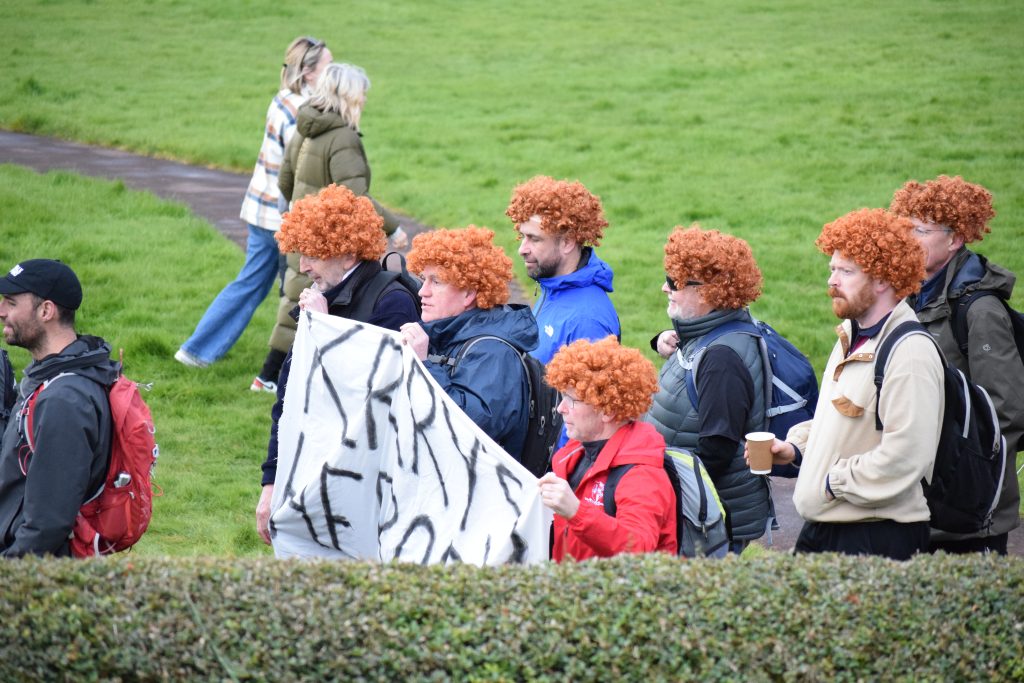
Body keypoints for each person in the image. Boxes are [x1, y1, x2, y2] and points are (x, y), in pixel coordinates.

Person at [760, 208, 944, 560]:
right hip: (829, 528)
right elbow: (841, 418)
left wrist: (832, 482)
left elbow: (907, 456)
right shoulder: (851, 336)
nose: (832, 282)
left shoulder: (910, 354)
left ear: (882, 280)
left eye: (846, 272)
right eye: (832, 269)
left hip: (875, 536)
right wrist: (797, 447)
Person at [255, 184, 419, 545]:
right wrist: (272, 481)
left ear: (346, 254)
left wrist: (326, 332)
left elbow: (378, 404)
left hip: (365, 492)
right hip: (310, 474)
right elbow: (289, 401)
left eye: (313, 253)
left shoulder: (393, 303)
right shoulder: (321, 299)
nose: (303, 266)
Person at [175, 36, 332, 378]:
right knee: (296, 286)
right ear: (308, 73)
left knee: (259, 283)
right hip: (279, 214)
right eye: (327, 67)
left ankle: (198, 350)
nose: (332, 72)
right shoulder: (299, 110)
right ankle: (277, 368)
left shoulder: (285, 100)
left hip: (263, 208)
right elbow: (304, 166)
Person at [255, 62, 408, 395]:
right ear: (349, 95)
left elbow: (284, 179)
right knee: (314, 306)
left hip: (304, 235)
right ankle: (279, 378)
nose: (365, 101)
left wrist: (297, 215)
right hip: (328, 243)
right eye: (362, 94)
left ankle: (271, 376)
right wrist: (393, 229)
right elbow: (357, 194)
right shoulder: (342, 136)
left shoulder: (304, 128)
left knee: (295, 299)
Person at [891, 175, 1023, 555]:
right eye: (905, 227)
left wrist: (952, 469)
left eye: (921, 230)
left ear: (955, 238)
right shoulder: (907, 297)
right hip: (917, 500)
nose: (908, 238)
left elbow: (1006, 411)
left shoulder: (979, 311)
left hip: (966, 515)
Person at [644, 225, 772, 553]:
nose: (664, 287)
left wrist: (653, 477)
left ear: (706, 292)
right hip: (692, 510)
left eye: (674, 282)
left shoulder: (721, 360)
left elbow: (715, 451)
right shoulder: (708, 336)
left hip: (706, 523)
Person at [0, 259, 119, 557]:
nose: (2, 311)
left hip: (36, 570)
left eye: (11, 302)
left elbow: (47, 523)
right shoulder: (49, 376)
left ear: (46, 311)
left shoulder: (64, 399)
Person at [399, 227, 537, 460]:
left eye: (437, 282)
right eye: (423, 280)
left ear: (469, 293)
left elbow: (470, 430)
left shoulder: (494, 351)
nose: (422, 292)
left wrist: (424, 365)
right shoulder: (446, 333)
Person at [538, 336, 677, 561]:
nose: (560, 408)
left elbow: (640, 547)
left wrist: (576, 512)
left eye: (571, 400)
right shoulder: (575, 454)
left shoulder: (642, 474)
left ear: (607, 411)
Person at [505, 176, 620, 365]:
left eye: (534, 239)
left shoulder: (587, 321)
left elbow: (587, 393)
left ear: (567, 242)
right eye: (522, 236)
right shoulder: (554, 286)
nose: (522, 249)